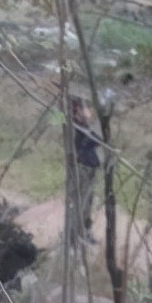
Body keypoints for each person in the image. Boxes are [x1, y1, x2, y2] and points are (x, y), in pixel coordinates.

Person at [69, 96, 100, 247]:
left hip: (90, 169)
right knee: (81, 204)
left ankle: (83, 232)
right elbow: (97, 140)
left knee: (87, 203)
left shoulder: (84, 128)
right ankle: (75, 234)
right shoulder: (78, 129)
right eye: (84, 109)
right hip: (83, 169)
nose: (88, 112)